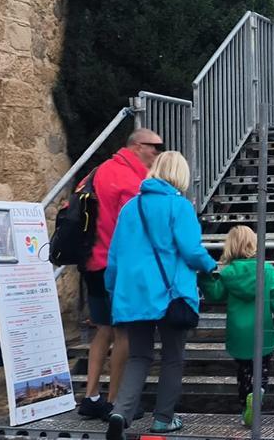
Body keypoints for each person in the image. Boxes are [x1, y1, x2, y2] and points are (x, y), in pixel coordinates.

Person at [105, 151, 217, 438]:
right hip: (171, 296)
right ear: (181, 174)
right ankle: (163, 419)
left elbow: (114, 257)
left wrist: (112, 288)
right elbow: (191, 251)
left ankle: (120, 412)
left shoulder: (131, 207)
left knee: (138, 356)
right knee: (172, 358)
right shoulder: (179, 207)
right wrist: (211, 266)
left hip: (133, 296)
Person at [78, 128, 164, 420]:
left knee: (102, 330)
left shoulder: (98, 171)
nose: (158, 153)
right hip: (116, 268)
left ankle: (91, 397)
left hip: (91, 263)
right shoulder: (133, 180)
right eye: (155, 147)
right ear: (137, 146)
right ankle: (115, 403)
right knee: (124, 333)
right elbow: (138, 228)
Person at [198, 226, 274, 427]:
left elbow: (215, 294)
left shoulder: (229, 273)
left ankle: (245, 406)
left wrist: (204, 277)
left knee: (243, 371)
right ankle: (259, 393)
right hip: (262, 328)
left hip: (238, 332)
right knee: (262, 368)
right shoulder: (266, 269)